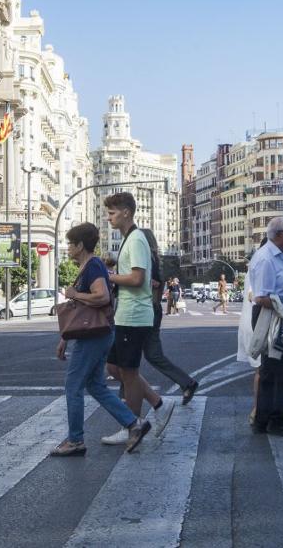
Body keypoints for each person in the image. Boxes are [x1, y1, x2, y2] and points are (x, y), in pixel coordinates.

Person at [51, 222, 149, 456]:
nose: (68, 248)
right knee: (95, 385)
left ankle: (75, 440)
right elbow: (81, 309)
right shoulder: (89, 266)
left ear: (80, 245)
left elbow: (101, 297)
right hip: (97, 333)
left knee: (73, 386)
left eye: (70, 244)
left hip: (94, 336)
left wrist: (75, 294)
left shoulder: (93, 266)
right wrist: (65, 337)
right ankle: (134, 424)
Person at [100, 193, 156, 447]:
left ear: (125, 212)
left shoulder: (135, 240)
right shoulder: (129, 239)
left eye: (111, 213)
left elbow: (136, 279)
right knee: (115, 368)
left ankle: (132, 425)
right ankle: (156, 403)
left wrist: (108, 277)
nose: (108, 217)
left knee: (129, 373)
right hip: (127, 314)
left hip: (135, 314)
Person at [249, 217, 283, 438]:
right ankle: (277, 419)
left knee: (271, 371)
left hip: (276, 317)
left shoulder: (278, 257)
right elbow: (261, 297)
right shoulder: (267, 259)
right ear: (279, 234)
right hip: (272, 318)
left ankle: (264, 419)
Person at [140, 229, 197, 410]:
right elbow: (159, 282)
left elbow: (151, 283)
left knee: (127, 360)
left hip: (143, 311)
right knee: (153, 355)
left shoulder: (146, 259)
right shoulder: (156, 260)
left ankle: (125, 400)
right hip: (153, 310)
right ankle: (186, 383)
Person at [236, 253, 263, 426]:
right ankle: (257, 409)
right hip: (256, 326)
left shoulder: (253, 269)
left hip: (251, 324)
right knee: (261, 370)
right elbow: (253, 296)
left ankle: (259, 408)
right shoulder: (259, 269)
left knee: (262, 370)